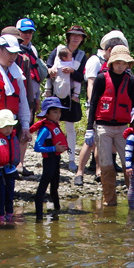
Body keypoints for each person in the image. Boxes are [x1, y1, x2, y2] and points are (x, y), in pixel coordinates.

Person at [89, 44, 134, 206]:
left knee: (128, 163)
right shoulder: (102, 78)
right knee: (106, 164)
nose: (120, 66)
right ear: (111, 62)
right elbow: (94, 102)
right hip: (103, 126)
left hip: (123, 127)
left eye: (124, 63)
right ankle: (109, 201)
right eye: (118, 63)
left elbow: (132, 104)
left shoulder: (131, 80)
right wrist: (90, 128)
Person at [44, 25, 87, 172]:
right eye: (73, 35)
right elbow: (47, 69)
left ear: (82, 39)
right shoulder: (57, 51)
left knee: (70, 128)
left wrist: (73, 72)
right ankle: (53, 155)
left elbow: (82, 77)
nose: (75, 38)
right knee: (52, 127)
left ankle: (71, 159)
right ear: (68, 37)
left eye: (79, 36)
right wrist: (51, 71)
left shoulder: (81, 56)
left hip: (71, 98)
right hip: (55, 95)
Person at [29, 96, 67, 220]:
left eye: (60, 111)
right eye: (55, 112)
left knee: (55, 184)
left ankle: (56, 209)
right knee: (43, 185)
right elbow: (37, 147)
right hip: (49, 160)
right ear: (47, 113)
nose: (58, 114)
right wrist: (53, 149)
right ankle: (39, 216)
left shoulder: (54, 125)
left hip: (56, 159)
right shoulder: (45, 129)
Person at [15, 18, 44, 173]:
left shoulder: (33, 51)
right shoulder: (13, 50)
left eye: (30, 32)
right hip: (15, 95)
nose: (27, 35)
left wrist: (37, 96)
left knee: (25, 129)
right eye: (24, 32)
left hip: (30, 95)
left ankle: (20, 163)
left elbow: (36, 76)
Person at [0, 109, 20, 223]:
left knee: (10, 194)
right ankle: (0, 216)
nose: (8, 129)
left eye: (10, 126)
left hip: (10, 170)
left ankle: (10, 214)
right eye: (5, 126)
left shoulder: (13, 137)